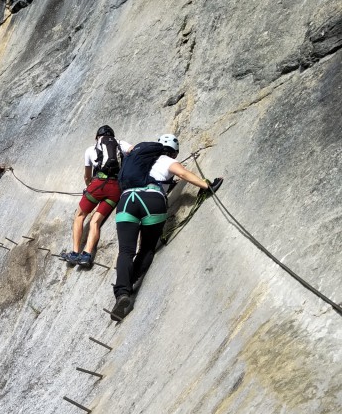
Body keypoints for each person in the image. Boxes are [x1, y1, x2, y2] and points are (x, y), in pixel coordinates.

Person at [110, 133, 223, 321]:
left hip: (127, 200)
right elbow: (183, 174)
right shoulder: (165, 159)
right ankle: (130, 285)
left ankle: (122, 293)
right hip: (152, 200)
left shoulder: (137, 159)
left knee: (126, 251)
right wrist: (206, 185)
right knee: (146, 248)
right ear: (174, 153)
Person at [60, 125, 133, 268]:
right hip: (116, 189)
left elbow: (87, 176)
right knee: (96, 221)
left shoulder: (90, 150)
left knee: (80, 215)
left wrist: (89, 187)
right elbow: (133, 151)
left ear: (97, 138)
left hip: (98, 185)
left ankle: (75, 253)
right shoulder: (121, 144)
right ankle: (86, 255)